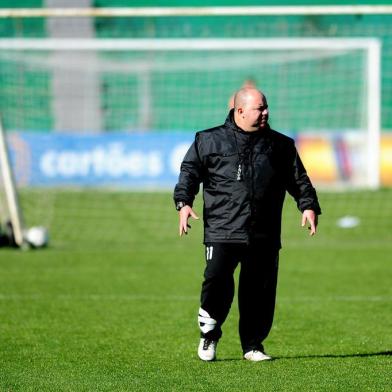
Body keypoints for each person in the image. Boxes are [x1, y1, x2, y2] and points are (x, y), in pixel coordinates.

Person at [173, 88, 321, 362]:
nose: (265, 113)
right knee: (217, 281)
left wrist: (308, 205)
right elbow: (189, 172)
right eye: (259, 109)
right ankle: (209, 332)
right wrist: (183, 203)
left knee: (259, 291)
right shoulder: (209, 140)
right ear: (240, 111)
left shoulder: (280, 145)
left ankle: (253, 346)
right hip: (222, 229)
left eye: (266, 108)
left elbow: (298, 179)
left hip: (263, 231)